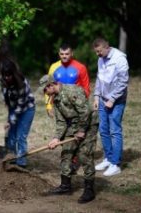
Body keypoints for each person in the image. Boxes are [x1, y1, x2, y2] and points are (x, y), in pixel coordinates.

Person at [44, 76, 98, 204]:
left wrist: (82, 130)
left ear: (52, 85)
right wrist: (56, 138)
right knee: (66, 153)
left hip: (89, 123)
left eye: (45, 89)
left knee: (85, 155)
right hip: (74, 124)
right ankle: (65, 186)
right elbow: (61, 122)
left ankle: (89, 190)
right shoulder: (55, 99)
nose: (44, 92)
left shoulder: (72, 91)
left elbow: (85, 112)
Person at [45, 43, 90, 172]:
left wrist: (81, 106)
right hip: (60, 105)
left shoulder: (80, 67)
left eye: (67, 54)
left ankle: (74, 161)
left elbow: (86, 88)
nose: (64, 56)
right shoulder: (54, 67)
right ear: (59, 54)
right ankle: (69, 160)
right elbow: (48, 88)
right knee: (64, 131)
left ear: (71, 54)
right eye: (62, 54)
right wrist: (49, 105)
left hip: (76, 106)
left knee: (76, 134)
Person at [92, 37, 129, 177]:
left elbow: (123, 81)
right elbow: (99, 78)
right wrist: (96, 96)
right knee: (103, 130)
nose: (97, 54)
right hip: (102, 99)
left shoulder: (120, 58)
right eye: (96, 52)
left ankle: (116, 164)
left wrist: (112, 99)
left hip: (117, 100)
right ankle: (108, 158)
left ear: (107, 47)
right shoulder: (101, 58)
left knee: (114, 130)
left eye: (99, 51)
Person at [0, 59, 35, 168]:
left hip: (26, 109)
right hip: (13, 108)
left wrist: (11, 121)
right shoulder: (3, 80)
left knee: (20, 136)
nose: (7, 78)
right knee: (11, 136)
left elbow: (20, 106)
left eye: (9, 75)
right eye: (5, 75)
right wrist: (9, 120)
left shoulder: (22, 83)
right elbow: (6, 99)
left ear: (13, 74)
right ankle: (11, 158)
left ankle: (21, 163)